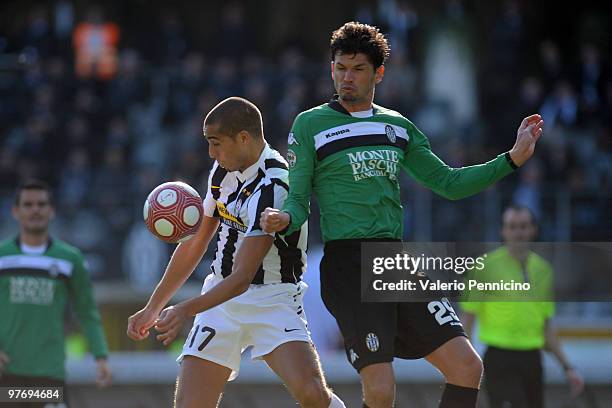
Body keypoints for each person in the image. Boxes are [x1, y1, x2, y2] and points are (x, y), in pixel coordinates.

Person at [261, 21, 545, 408]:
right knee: (380, 392)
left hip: (394, 262)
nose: (346, 77)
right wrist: (285, 219)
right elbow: (298, 199)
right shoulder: (310, 124)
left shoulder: (398, 127)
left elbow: (449, 182)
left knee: (467, 367)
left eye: (357, 69)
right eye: (340, 67)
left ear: (378, 72)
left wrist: (511, 159)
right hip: (349, 265)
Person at [127, 97, 346, 408]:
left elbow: (243, 277)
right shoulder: (222, 170)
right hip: (221, 298)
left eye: (216, 143)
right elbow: (196, 240)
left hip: (272, 299)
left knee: (312, 395)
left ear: (243, 138)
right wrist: (154, 307)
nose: (210, 153)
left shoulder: (275, 186)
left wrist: (183, 309)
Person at [0, 180, 112, 408]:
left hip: (48, 374)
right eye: (28, 204)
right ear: (15, 211)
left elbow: (86, 310)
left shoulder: (69, 259)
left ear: (51, 211)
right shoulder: (2, 256)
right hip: (7, 373)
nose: (35, 210)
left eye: (41, 204)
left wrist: (100, 356)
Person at [460, 204, 584, 408]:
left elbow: (546, 326)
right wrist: (465, 366)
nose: (518, 232)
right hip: (499, 358)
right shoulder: (484, 268)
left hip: (532, 359)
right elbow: (467, 320)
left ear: (533, 230)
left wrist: (567, 367)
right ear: (503, 230)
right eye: (512, 226)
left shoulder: (543, 270)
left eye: (523, 226)